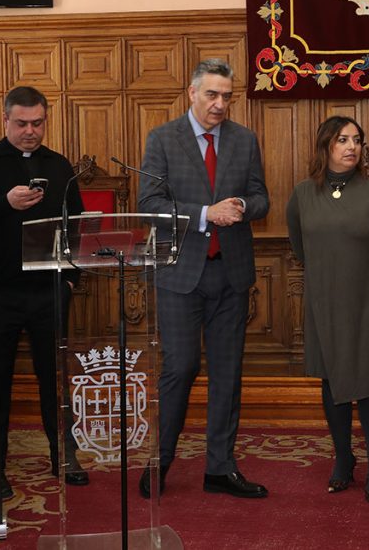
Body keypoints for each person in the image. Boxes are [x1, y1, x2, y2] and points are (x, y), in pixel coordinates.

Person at [137, 59, 270, 499]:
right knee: (180, 367)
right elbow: (150, 204)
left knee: (227, 374)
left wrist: (242, 208)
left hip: (230, 274)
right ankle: (160, 462)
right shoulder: (163, 139)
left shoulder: (244, 140)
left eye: (227, 96)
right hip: (180, 274)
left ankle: (220, 468)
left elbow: (261, 198)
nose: (219, 104)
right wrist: (203, 214)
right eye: (211, 95)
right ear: (191, 93)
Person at [286, 116, 369, 505]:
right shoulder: (302, 195)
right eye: (343, 140)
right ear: (326, 146)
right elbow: (300, 249)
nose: (352, 146)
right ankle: (343, 458)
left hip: (368, 302)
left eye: (357, 140)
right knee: (332, 382)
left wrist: (367, 281)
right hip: (323, 302)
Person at [0, 85, 87, 500]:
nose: (30, 131)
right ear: (5, 120)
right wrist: (3, 203)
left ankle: (64, 455)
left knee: (56, 379)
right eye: (22, 123)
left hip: (49, 290)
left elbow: (78, 224)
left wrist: (70, 279)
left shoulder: (59, 164)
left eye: (38, 123)